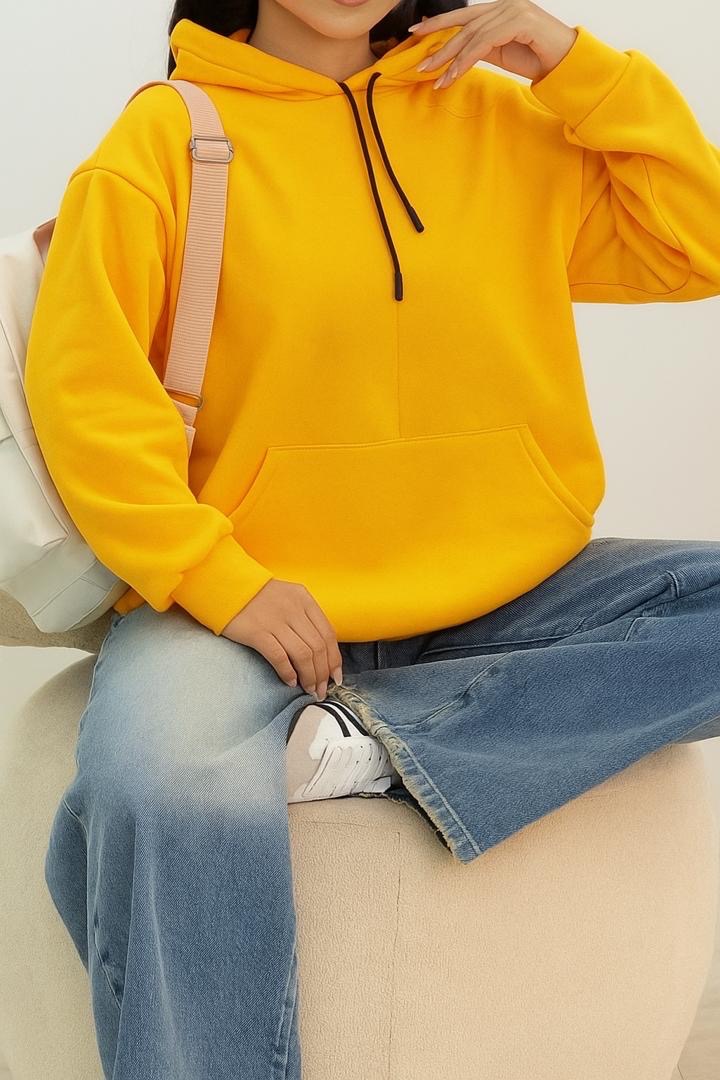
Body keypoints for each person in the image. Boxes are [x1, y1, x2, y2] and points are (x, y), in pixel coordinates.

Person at [24, 0, 720, 1075]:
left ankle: (376, 738)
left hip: (508, 595)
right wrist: (219, 579)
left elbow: (698, 243)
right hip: (246, 609)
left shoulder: (498, 120)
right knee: (160, 786)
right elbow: (89, 394)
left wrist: (576, 66)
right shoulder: (168, 135)